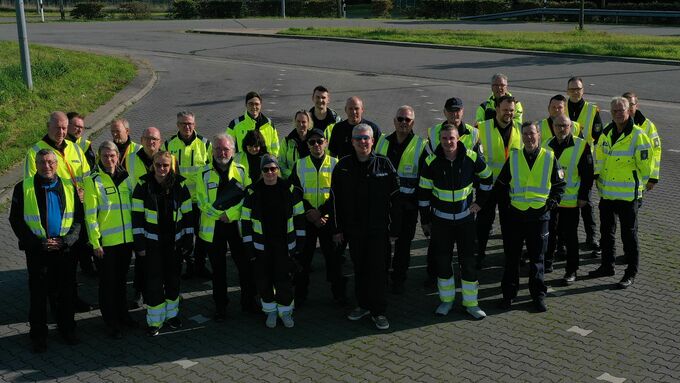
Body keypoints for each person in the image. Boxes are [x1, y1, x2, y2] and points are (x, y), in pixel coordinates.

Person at [10, 149, 83, 352]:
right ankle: (38, 336)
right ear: (36, 164)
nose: (47, 166)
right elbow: (15, 220)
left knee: (65, 293)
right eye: (42, 162)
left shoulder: (69, 186)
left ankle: (67, 329)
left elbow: (78, 219)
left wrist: (65, 241)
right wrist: (36, 243)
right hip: (37, 252)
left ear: (57, 164)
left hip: (64, 251)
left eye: (51, 162)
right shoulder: (22, 188)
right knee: (38, 296)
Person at [329, 124, 400, 330]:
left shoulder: (384, 165)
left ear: (373, 141)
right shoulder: (342, 166)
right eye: (358, 138)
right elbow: (334, 200)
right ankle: (363, 305)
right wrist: (337, 229)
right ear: (352, 142)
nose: (362, 142)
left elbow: (396, 200)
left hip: (379, 231)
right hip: (354, 231)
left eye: (366, 138)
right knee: (359, 269)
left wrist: (395, 229)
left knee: (378, 271)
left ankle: (378, 311)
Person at [418, 125, 492, 319]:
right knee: (443, 262)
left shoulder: (471, 158)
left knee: (468, 262)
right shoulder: (431, 161)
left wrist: (480, 203)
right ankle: (447, 301)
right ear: (439, 140)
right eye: (444, 138)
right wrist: (425, 220)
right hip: (441, 222)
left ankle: (471, 303)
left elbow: (487, 178)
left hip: (465, 221)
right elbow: (424, 193)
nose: (448, 142)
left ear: (458, 138)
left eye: (451, 138)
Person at [24, 111, 93, 312]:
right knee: (49, 273)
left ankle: (71, 300)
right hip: (51, 216)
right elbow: (31, 187)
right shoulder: (36, 151)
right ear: (48, 127)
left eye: (64, 128)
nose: (61, 132)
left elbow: (86, 175)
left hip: (74, 215)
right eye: (57, 128)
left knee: (71, 266)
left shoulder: (75, 148)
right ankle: (54, 305)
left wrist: (85, 192)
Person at [495, 122, 565, 312]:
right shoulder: (514, 157)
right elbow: (501, 184)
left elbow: (560, 185)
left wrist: (551, 204)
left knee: (537, 260)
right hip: (516, 217)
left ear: (539, 135)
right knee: (512, 259)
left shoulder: (550, 157)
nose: (528, 137)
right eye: (525, 134)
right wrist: (506, 207)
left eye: (532, 134)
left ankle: (538, 297)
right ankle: (508, 296)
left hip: (539, 217)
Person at [588, 97, 653, 289]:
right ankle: (607, 266)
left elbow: (645, 166)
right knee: (606, 234)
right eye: (614, 110)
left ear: (629, 111)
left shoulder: (638, 135)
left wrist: (637, 185)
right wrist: (598, 178)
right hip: (607, 194)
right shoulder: (606, 132)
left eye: (621, 110)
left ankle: (630, 273)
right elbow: (599, 157)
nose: (617, 113)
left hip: (627, 196)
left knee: (629, 235)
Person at [132, 151, 194, 336]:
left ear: (171, 166)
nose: (162, 169)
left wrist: (189, 239)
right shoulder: (142, 185)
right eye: (158, 165)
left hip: (174, 243)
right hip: (152, 243)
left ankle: (171, 316)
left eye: (165, 165)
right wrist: (140, 244)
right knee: (153, 283)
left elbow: (189, 215)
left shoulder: (180, 185)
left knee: (173, 281)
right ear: (153, 165)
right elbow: (136, 218)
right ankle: (155, 321)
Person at [196, 133, 257, 321]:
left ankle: (248, 302)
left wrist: (229, 214)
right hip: (213, 229)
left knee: (245, 267)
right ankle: (220, 307)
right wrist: (218, 215)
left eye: (226, 149)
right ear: (212, 150)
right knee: (218, 270)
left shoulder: (241, 170)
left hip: (236, 227)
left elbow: (248, 197)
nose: (222, 152)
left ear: (232, 151)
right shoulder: (203, 173)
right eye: (218, 149)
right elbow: (201, 201)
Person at [241, 155, 305, 328]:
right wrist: (249, 248)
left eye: (273, 169)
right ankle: (270, 312)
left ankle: (285, 312)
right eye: (266, 169)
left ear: (278, 170)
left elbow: (299, 218)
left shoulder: (290, 190)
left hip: (284, 245)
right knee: (264, 280)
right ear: (261, 172)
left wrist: (300, 244)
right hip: (261, 246)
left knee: (283, 280)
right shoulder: (252, 192)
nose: (270, 172)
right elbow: (245, 222)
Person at [424, 97, 482, 287]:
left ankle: (466, 281)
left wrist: (478, 198)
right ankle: (434, 277)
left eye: (457, 111)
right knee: (438, 249)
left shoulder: (474, 133)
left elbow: (480, 166)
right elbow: (428, 166)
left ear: (462, 112)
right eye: (450, 111)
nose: (454, 114)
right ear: (444, 112)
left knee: (467, 251)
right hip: (440, 204)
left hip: (464, 204)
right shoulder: (434, 133)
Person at [83, 141, 137, 339]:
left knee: (122, 281)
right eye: (105, 156)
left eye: (112, 155)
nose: (109, 159)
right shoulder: (93, 181)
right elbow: (90, 215)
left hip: (125, 240)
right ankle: (110, 321)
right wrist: (95, 242)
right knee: (107, 283)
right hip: (105, 244)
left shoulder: (126, 178)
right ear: (99, 157)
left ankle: (124, 315)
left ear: (117, 156)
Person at [288, 128, 346, 305]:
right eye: (312, 142)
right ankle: (300, 295)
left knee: (334, 260)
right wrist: (310, 212)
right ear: (308, 145)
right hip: (307, 219)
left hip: (329, 220)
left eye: (319, 141)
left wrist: (323, 212)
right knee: (303, 260)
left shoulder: (336, 164)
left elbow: (339, 194)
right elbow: (295, 193)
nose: (316, 145)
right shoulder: (300, 164)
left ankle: (339, 295)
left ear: (326, 143)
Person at [374, 105, 427, 294]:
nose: (404, 122)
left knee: (403, 247)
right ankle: (382, 277)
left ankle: (398, 279)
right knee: (383, 245)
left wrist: (423, 212)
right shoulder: (381, 142)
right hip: (384, 206)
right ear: (394, 121)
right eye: (400, 119)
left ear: (413, 123)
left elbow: (425, 181)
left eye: (408, 120)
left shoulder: (421, 145)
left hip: (408, 207)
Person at [543, 114, 594, 284]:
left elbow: (587, 175)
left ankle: (572, 270)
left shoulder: (581, 146)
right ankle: (547, 263)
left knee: (571, 238)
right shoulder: (546, 145)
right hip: (550, 200)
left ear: (571, 127)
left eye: (565, 126)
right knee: (549, 234)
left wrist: (584, 197)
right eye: (558, 126)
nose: (561, 129)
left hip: (571, 202)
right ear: (553, 127)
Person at [163, 111, 212, 279]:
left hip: (199, 200)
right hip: (180, 200)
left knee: (201, 235)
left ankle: (199, 265)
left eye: (190, 123)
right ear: (177, 125)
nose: (187, 127)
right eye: (183, 124)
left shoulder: (205, 144)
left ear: (195, 124)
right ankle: (187, 266)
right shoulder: (169, 144)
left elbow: (212, 171)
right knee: (183, 235)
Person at [476, 96, 522, 270]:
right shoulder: (481, 129)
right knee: (482, 224)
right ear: (496, 109)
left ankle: (510, 256)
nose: (508, 113)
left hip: (509, 187)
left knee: (509, 225)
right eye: (505, 110)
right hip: (488, 186)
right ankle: (479, 254)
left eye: (511, 110)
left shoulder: (520, 129)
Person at [127, 127, 165, 309]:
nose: (151, 142)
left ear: (160, 141)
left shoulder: (166, 159)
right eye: (148, 139)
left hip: (162, 212)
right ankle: (139, 291)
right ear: (141, 140)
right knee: (142, 254)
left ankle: (164, 290)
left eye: (155, 139)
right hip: (140, 210)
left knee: (162, 256)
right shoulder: (131, 158)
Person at [566, 76, 603, 254]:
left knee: (586, 201)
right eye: (572, 89)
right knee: (564, 203)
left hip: (585, 161)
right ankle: (562, 240)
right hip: (566, 161)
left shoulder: (591, 110)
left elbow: (598, 135)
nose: (575, 92)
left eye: (578, 89)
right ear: (567, 91)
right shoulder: (560, 107)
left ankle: (591, 236)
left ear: (583, 91)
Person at [66, 112, 97, 280]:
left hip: (84, 197)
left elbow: (90, 171)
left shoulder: (85, 145)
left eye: (81, 127)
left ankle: (86, 265)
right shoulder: (61, 145)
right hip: (68, 198)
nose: (79, 130)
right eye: (75, 126)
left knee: (84, 233)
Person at [623, 91, 661, 186]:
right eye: (625, 104)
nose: (628, 107)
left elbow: (656, 151)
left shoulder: (648, 126)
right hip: (617, 177)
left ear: (637, 106)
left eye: (631, 104)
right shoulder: (613, 126)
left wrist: (653, 177)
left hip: (638, 179)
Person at [228, 91, 280, 157]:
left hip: (264, 164)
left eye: (256, 104)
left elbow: (275, 146)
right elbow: (227, 147)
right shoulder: (234, 124)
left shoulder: (269, 124)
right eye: (251, 104)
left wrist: (272, 160)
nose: (254, 107)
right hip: (243, 164)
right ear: (246, 105)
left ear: (261, 105)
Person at [279, 110, 312, 179]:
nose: (301, 124)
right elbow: (281, 164)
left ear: (309, 123)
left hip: (310, 180)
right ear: (295, 122)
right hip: (292, 182)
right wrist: (294, 175)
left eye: (303, 122)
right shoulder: (286, 141)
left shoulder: (314, 142)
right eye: (298, 121)